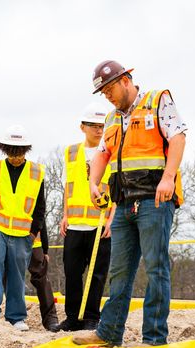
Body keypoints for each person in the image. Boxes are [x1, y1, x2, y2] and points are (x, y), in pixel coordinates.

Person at [73, 60, 187, 347]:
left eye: (109, 89)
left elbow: (178, 137)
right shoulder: (111, 119)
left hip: (154, 199)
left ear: (126, 80)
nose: (107, 96)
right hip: (124, 203)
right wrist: (93, 183)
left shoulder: (157, 100)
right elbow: (102, 153)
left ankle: (153, 338)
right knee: (119, 271)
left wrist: (169, 177)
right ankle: (109, 333)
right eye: (102, 92)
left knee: (155, 267)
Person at [0, 125, 45, 331]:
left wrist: (34, 230)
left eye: (20, 152)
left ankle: (16, 317)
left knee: (16, 272)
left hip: (23, 232)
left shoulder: (37, 172)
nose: (15, 157)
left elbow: (40, 205)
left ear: (26, 150)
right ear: (5, 149)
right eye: (12, 152)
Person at [57, 102, 115, 332]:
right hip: (75, 225)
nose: (99, 130)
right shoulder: (71, 152)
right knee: (72, 273)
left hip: (101, 224)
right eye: (93, 126)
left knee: (98, 274)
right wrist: (64, 215)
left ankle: (91, 316)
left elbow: (116, 189)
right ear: (82, 127)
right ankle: (73, 317)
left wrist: (111, 219)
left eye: (102, 126)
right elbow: (66, 187)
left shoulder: (111, 152)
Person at [28, 220, 59, 332]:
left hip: (35, 243)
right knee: (11, 278)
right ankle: (15, 318)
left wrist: (45, 249)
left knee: (42, 280)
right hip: (11, 241)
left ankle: (51, 319)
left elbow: (41, 218)